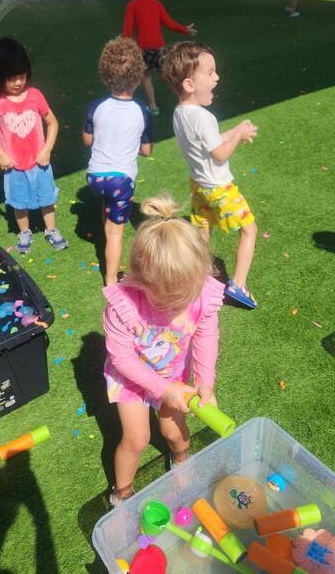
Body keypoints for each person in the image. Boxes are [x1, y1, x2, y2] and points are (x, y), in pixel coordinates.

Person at [103, 194, 225, 505]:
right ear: (141, 280)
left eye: (185, 299)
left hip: (172, 373)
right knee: (137, 439)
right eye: (168, 301)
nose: (176, 307)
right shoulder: (123, 305)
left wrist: (205, 381)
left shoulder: (202, 294)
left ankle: (182, 459)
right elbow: (121, 357)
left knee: (174, 429)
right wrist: (162, 389)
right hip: (131, 378)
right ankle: (122, 494)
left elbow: (206, 334)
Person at [161, 41, 259, 309]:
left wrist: (236, 132)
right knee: (249, 230)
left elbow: (210, 143)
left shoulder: (180, 113)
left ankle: (200, 273)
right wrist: (238, 135)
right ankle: (238, 285)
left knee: (202, 231)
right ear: (190, 84)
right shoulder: (204, 117)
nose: (217, 78)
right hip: (219, 188)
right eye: (210, 72)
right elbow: (220, 153)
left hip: (199, 186)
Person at [0, 37, 68, 253]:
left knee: (47, 198)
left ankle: (51, 229)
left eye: (22, 76)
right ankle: (24, 232)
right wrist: (0, 154)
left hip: (40, 162)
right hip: (14, 166)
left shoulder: (35, 95)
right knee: (19, 202)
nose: (18, 83)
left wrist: (47, 149)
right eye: (11, 78)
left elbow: (53, 122)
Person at [83, 37, 152, 286]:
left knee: (108, 205)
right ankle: (111, 280)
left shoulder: (96, 106)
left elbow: (87, 140)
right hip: (120, 181)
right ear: (138, 76)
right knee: (116, 234)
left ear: (105, 74)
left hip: (95, 177)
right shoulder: (141, 112)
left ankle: (106, 243)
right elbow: (146, 150)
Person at [122, 0, 197, 115]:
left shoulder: (132, 6)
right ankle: (185, 99)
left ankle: (153, 106)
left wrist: (124, 49)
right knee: (167, 76)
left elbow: (127, 31)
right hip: (160, 49)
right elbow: (169, 23)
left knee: (146, 77)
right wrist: (185, 29)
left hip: (143, 50)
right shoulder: (157, 4)